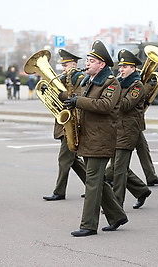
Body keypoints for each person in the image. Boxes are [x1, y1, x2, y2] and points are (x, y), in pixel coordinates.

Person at [64, 40, 128, 237]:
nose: (87, 63)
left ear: (102, 64)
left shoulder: (111, 82)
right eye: (88, 60)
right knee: (97, 181)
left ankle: (88, 225)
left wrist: (79, 101)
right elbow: (82, 102)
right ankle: (117, 215)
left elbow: (105, 105)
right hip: (89, 138)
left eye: (91, 61)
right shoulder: (89, 81)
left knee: (92, 182)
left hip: (101, 139)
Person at [105, 49, 152, 209]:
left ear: (133, 68)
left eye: (125, 67)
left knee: (118, 169)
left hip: (128, 130)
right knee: (119, 166)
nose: (121, 70)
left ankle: (117, 205)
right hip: (115, 129)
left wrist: (111, 95)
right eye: (121, 66)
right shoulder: (120, 82)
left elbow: (125, 105)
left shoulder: (137, 85)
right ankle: (141, 190)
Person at [43, 49, 87, 201]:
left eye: (66, 65)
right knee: (73, 161)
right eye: (62, 65)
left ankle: (59, 192)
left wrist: (59, 94)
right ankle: (95, 185)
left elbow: (78, 96)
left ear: (74, 64)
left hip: (73, 123)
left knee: (64, 159)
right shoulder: (64, 78)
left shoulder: (79, 77)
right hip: (65, 122)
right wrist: (47, 90)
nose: (63, 68)